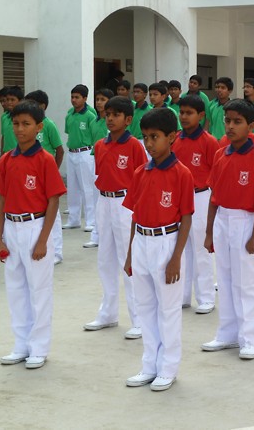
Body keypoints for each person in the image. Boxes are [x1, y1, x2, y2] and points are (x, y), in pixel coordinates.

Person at [123, 108, 194, 392]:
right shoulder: (140, 172)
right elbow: (135, 214)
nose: (149, 143)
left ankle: (168, 367)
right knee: (145, 308)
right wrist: (130, 253)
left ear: (172, 137)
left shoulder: (182, 174)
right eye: (146, 137)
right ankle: (149, 364)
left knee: (168, 309)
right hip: (142, 241)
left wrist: (176, 258)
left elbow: (186, 217)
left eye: (155, 137)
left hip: (167, 242)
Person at [201, 99, 254, 361]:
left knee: (245, 282)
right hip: (223, 219)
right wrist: (209, 232)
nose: (231, 126)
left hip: (245, 220)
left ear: (250, 126)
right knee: (224, 278)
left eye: (237, 122)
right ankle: (227, 333)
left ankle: (248, 338)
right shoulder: (221, 154)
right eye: (228, 121)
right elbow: (214, 196)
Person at [0, 100, 66, 369]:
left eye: (26, 124)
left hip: (35, 226)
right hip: (12, 227)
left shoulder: (45, 160)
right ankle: (21, 344)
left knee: (39, 290)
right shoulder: (7, 159)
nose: (20, 129)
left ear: (39, 127)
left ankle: (39, 347)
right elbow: (2, 200)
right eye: (16, 123)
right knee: (16, 289)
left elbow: (53, 201)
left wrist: (43, 240)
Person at [82, 96, 148, 340]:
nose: (110, 118)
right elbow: (100, 174)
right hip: (104, 201)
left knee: (128, 259)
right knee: (105, 258)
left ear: (128, 119)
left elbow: (142, 177)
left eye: (116, 115)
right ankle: (108, 313)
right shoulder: (100, 145)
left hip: (125, 203)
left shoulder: (135, 146)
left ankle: (139, 318)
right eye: (107, 114)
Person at [172, 94, 220, 313]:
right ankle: (183, 295)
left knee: (201, 247)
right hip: (179, 197)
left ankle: (206, 297)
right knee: (181, 248)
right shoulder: (175, 139)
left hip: (201, 196)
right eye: (181, 112)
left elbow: (216, 174)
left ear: (201, 115)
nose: (184, 117)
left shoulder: (209, 141)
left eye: (189, 113)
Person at [25, 90, 65, 265]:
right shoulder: (28, 127)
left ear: (43, 106)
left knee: (53, 213)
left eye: (33, 103)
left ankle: (57, 252)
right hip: (31, 175)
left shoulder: (48, 125)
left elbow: (59, 150)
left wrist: (53, 172)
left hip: (46, 173)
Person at [62, 84, 97, 232]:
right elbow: (69, 133)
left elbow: (94, 135)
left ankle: (91, 221)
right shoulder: (69, 115)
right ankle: (73, 219)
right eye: (72, 97)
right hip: (71, 152)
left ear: (85, 98)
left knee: (87, 188)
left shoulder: (90, 115)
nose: (74, 100)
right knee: (72, 187)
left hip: (85, 152)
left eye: (77, 97)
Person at [82, 88, 114, 249]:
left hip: (112, 164)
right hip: (97, 161)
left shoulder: (113, 123)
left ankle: (108, 234)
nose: (99, 103)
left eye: (103, 99)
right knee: (97, 199)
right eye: (97, 99)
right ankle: (96, 234)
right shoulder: (94, 121)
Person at [0, 86, 24, 157]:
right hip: (7, 155)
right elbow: (3, 137)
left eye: (12, 100)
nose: (9, 102)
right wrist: (2, 155)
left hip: (20, 155)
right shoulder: (4, 117)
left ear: (20, 101)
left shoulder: (24, 118)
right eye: (7, 99)